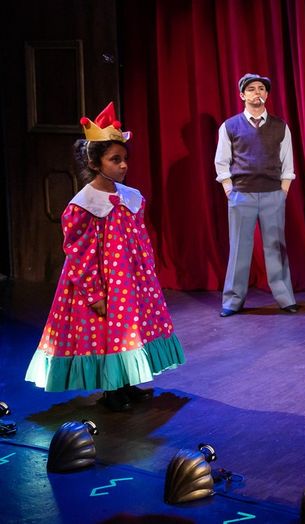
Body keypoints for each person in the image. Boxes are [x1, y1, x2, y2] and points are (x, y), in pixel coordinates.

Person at [25, 102, 186, 411]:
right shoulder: (83, 204)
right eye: (115, 160)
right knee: (105, 333)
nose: (123, 165)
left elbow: (140, 241)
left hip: (131, 280)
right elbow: (78, 253)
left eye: (125, 159)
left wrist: (148, 276)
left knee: (129, 330)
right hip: (103, 283)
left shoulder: (130, 197)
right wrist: (93, 292)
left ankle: (127, 382)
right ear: (95, 163)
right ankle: (111, 390)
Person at [214, 73, 298, 317]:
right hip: (242, 195)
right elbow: (222, 162)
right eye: (251, 89)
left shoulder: (280, 126)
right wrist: (230, 190)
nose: (256, 93)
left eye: (261, 88)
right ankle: (232, 300)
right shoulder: (230, 126)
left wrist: (283, 191)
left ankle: (285, 297)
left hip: (272, 193)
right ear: (242, 95)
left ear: (266, 95)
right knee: (239, 248)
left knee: (275, 247)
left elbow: (287, 162)